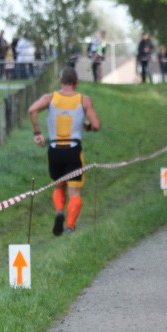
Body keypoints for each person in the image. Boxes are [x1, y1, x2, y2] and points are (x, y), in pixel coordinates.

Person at [28, 67, 102, 236]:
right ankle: (69, 226)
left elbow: (32, 110)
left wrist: (37, 133)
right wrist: (88, 127)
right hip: (73, 150)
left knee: (58, 186)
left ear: (61, 81)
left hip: (55, 150)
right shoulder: (84, 100)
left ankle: (59, 210)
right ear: (76, 82)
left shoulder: (50, 98)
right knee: (75, 191)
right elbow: (96, 125)